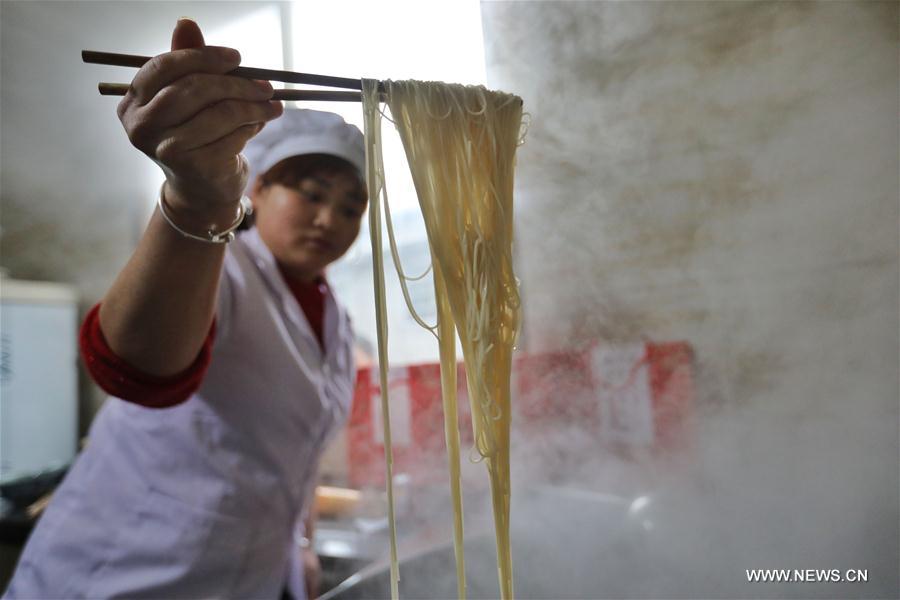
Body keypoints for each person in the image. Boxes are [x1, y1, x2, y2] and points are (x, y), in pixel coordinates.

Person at [4, 18, 366, 599]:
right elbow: (136, 367)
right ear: (258, 192)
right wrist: (198, 198)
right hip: (125, 573)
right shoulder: (221, 264)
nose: (331, 219)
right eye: (312, 193)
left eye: (352, 205)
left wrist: (299, 543)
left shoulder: (337, 321)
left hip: (243, 576)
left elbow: (292, 458)